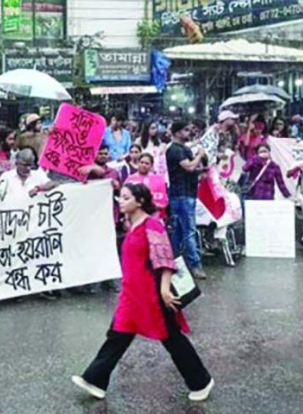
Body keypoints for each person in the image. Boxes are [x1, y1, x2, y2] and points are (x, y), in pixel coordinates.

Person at [72, 183, 213, 402]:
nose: (121, 201)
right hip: (132, 294)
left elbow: (164, 259)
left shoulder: (152, 225)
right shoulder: (133, 225)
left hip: (152, 295)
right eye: (121, 197)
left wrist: (165, 290)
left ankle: (200, 381)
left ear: (139, 202)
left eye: (126, 198)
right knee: (117, 336)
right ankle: (95, 380)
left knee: (172, 339)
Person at [166, 121, 207, 279]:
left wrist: (201, 169)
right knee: (188, 230)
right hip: (181, 194)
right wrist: (199, 156)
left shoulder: (183, 149)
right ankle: (194, 264)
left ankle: (175, 262)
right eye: (186, 130)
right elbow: (189, 167)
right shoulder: (175, 150)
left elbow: (191, 169)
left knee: (178, 230)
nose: (189, 133)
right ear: (177, 132)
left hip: (187, 192)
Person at [125, 153, 168, 219]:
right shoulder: (130, 179)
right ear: (137, 163)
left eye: (147, 163)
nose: (143, 165)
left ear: (151, 166)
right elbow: (125, 200)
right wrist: (126, 219)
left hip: (154, 215)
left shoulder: (158, 179)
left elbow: (163, 201)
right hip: (134, 216)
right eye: (141, 162)